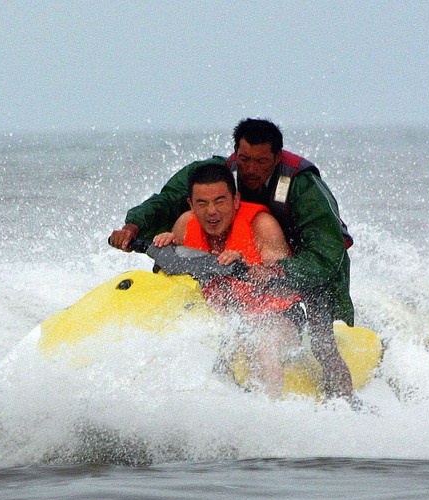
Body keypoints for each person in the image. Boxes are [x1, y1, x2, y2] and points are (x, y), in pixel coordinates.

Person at [110, 118, 355, 402]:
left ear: (277, 158)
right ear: (235, 153)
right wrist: (133, 227)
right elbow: (167, 199)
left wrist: (278, 271)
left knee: (323, 344)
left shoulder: (301, 184)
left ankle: (347, 405)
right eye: (245, 159)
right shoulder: (218, 174)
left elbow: (327, 251)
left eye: (261, 161)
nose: (251, 170)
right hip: (253, 266)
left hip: (314, 263)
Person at [154, 163, 300, 398]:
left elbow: (285, 280)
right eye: (202, 203)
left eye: (219, 201)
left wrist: (252, 269)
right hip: (223, 316)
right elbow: (175, 285)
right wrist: (168, 248)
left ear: (236, 200)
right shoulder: (184, 225)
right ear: (191, 205)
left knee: (260, 342)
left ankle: (269, 417)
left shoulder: (261, 225)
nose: (211, 211)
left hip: (276, 316)